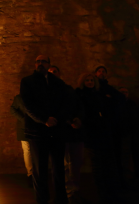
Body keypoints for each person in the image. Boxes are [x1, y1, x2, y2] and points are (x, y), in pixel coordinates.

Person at [20, 55, 70, 204]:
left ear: (49, 64)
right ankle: (42, 200)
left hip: (56, 131)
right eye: (38, 61)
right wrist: (44, 120)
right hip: (37, 132)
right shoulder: (27, 81)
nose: (40, 63)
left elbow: (64, 104)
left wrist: (56, 119)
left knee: (58, 168)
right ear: (35, 64)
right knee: (40, 170)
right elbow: (27, 105)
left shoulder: (58, 83)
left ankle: (61, 199)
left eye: (43, 61)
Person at [75, 73, 122, 203]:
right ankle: (102, 192)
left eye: (91, 80)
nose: (89, 82)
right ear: (83, 82)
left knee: (107, 162)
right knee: (97, 163)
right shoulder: (80, 94)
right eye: (87, 80)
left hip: (103, 131)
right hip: (91, 131)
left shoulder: (98, 93)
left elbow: (117, 99)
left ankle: (110, 191)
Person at [48, 66, 84, 200]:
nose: (52, 73)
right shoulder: (46, 91)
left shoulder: (68, 89)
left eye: (54, 71)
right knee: (63, 164)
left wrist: (78, 118)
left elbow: (78, 105)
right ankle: (68, 192)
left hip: (72, 131)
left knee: (75, 162)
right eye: (49, 72)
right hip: (59, 131)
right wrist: (67, 120)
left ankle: (74, 190)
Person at [94, 66, 126, 185]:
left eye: (103, 71)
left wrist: (110, 99)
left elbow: (121, 98)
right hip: (102, 126)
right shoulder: (95, 88)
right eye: (99, 71)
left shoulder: (108, 88)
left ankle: (117, 180)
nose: (101, 73)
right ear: (95, 74)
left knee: (115, 153)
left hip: (112, 125)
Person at [118, 87, 139, 179]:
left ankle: (138, 172)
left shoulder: (132, 103)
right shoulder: (117, 103)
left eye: (126, 92)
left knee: (136, 153)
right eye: (122, 92)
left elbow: (137, 116)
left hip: (134, 132)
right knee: (124, 153)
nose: (124, 93)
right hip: (123, 133)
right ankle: (125, 172)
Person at [10, 94, 33, 185]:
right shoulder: (20, 97)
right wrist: (23, 119)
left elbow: (13, 109)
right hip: (25, 127)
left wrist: (23, 119)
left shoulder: (20, 97)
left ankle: (31, 174)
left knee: (28, 151)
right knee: (28, 151)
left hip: (28, 127)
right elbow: (12, 109)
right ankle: (31, 174)